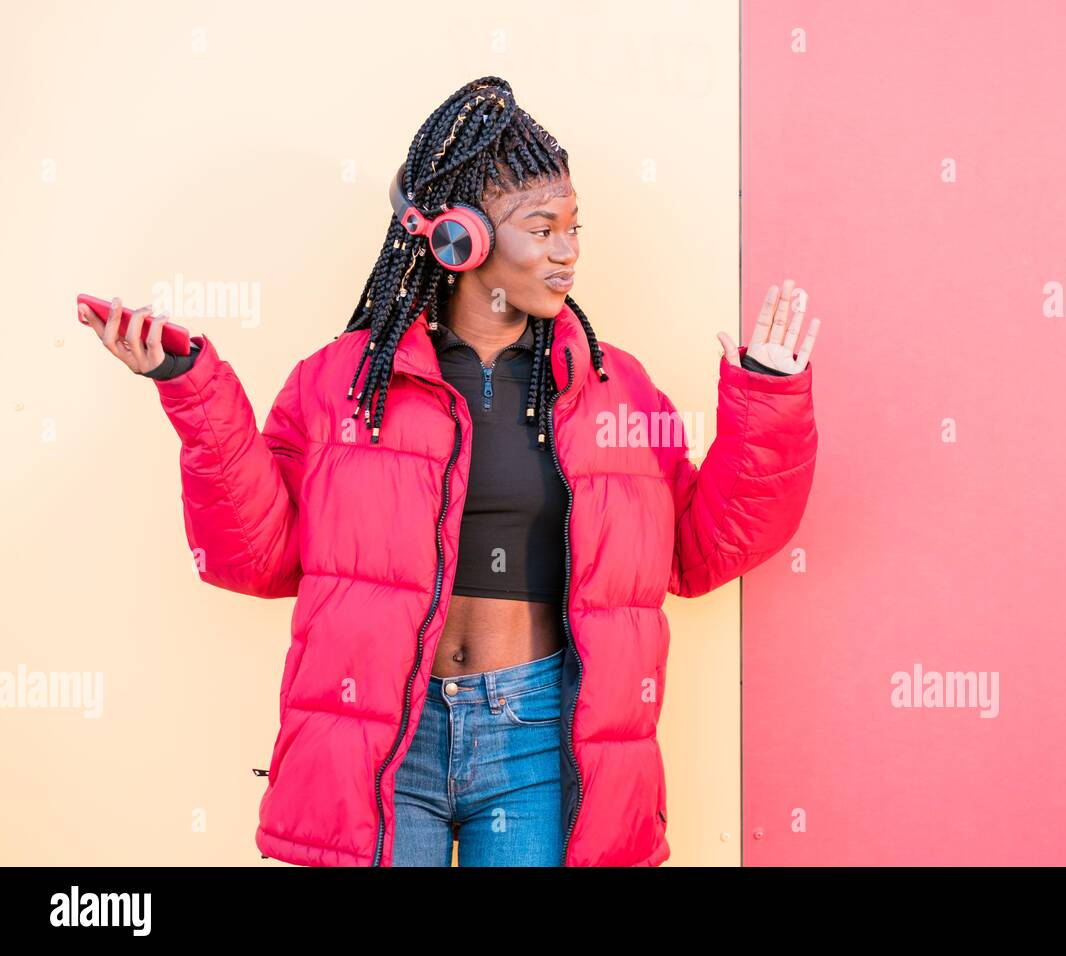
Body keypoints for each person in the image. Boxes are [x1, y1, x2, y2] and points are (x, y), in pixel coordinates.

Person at [80, 75, 821, 867]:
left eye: (575, 226)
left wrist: (767, 400)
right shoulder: (341, 383)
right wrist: (192, 389)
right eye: (543, 228)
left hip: (541, 739)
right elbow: (254, 559)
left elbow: (702, 553)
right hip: (382, 738)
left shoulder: (618, 391)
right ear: (459, 240)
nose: (569, 250)